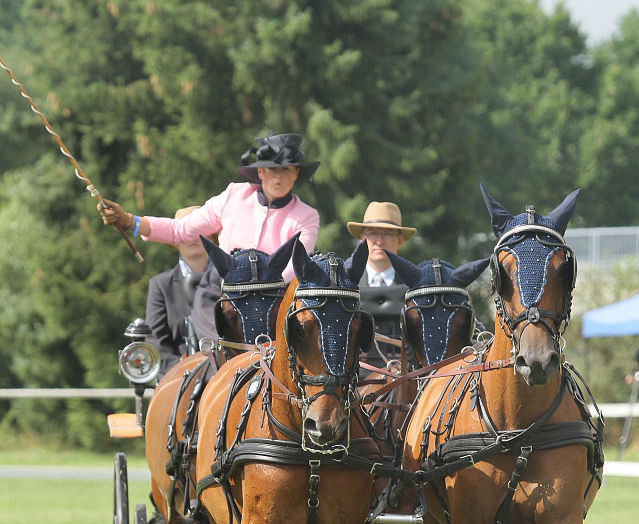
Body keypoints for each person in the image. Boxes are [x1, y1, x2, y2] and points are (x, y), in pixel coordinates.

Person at [98, 132, 320, 286]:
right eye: (272, 170)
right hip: (221, 293)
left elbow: (294, 266)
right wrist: (129, 221)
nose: (278, 176)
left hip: (276, 297)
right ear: (260, 173)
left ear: (297, 174)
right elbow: (181, 230)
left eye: (286, 170)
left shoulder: (306, 217)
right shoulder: (232, 195)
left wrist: (260, 287)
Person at [144, 206, 213, 376]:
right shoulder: (160, 285)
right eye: (185, 231)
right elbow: (156, 344)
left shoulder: (231, 281)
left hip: (227, 379)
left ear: (213, 235)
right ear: (175, 239)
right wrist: (186, 369)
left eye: (198, 229)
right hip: (178, 381)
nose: (191, 237)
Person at [346, 201, 417, 363]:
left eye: (387, 233)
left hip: (405, 378)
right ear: (362, 239)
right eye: (371, 233)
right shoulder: (345, 284)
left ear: (400, 241)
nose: (379, 240)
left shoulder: (415, 286)